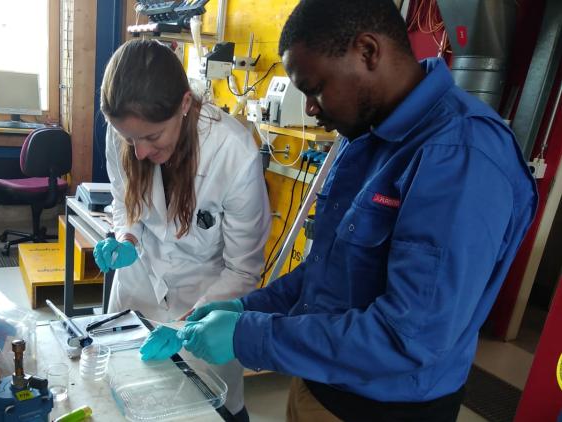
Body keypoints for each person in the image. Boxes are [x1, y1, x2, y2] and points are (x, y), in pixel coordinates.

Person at [179, 0, 538, 421]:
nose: (311, 108)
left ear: (368, 52)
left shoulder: (460, 158)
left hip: (381, 409)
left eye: (315, 89)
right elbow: (327, 272)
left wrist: (250, 337)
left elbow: (406, 338)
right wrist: (248, 308)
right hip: (318, 381)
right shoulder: (367, 132)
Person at [93, 39, 271, 421]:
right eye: (129, 139)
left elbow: (243, 270)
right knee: (124, 401)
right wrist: (126, 237)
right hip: (139, 288)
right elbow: (125, 203)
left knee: (207, 408)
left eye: (152, 137)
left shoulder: (233, 152)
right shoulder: (122, 131)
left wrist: (184, 324)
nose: (139, 151)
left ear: (185, 105)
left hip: (203, 301)